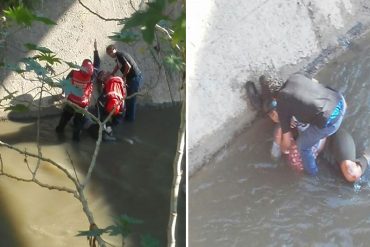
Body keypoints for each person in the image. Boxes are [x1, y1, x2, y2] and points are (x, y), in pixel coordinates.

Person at [264, 98, 369, 182]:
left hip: (330, 136)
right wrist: (282, 133)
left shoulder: (302, 107)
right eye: (272, 114)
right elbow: (275, 156)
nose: (276, 114)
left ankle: (367, 157)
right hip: (314, 150)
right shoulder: (280, 129)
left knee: (351, 173)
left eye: (277, 110)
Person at [261, 73, 346, 176]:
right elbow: (315, 83)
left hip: (331, 122)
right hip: (340, 102)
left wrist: (284, 148)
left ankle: (312, 175)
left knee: (303, 147)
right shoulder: (296, 76)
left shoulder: (282, 104)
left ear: (274, 99)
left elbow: (286, 143)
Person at [55, 41, 100, 141]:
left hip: (71, 100)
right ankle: (76, 139)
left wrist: (62, 93)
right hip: (83, 103)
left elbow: (65, 83)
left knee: (65, 116)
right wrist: (96, 50)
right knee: (78, 121)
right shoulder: (92, 76)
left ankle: (59, 130)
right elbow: (98, 63)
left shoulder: (74, 72)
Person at [106, 44, 142, 122]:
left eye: (111, 51)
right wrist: (112, 73)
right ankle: (127, 117)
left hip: (134, 77)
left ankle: (130, 119)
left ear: (115, 49)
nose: (111, 54)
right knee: (128, 98)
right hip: (131, 78)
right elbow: (118, 66)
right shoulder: (117, 57)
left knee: (131, 99)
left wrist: (123, 77)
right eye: (109, 53)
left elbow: (128, 66)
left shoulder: (119, 54)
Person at [95, 70, 127, 141]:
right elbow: (124, 95)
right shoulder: (120, 80)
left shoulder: (107, 86)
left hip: (110, 107)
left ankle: (104, 129)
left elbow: (101, 100)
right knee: (116, 121)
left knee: (99, 108)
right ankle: (113, 131)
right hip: (121, 108)